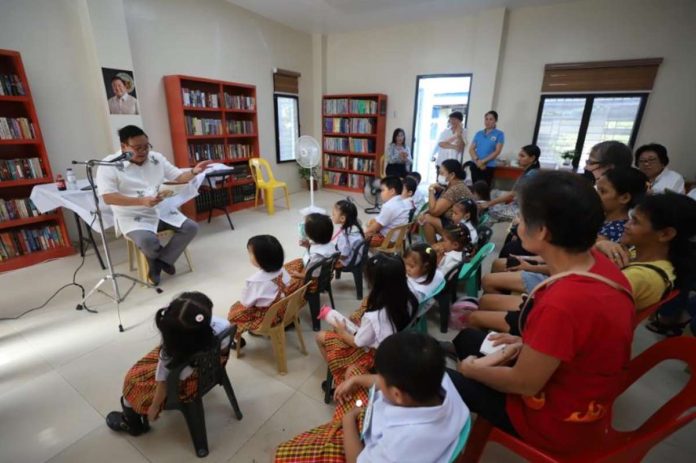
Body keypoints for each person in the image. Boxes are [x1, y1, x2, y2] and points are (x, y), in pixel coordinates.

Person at [448, 170, 635, 455]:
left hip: (555, 419)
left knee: (441, 377)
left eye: (521, 217)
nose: (517, 223)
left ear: (543, 231)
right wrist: (528, 343)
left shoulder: (564, 302)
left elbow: (524, 383)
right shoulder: (598, 263)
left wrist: (470, 370)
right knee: (468, 340)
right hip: (575, 384)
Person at [275, 332, 470, 463]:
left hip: (362, 444)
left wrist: (349, 419)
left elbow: (357, 459)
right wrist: (357, 379)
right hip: (377, 421)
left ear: (396, 394)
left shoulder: (401, 444)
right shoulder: (435, 377)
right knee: (353, 373)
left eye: (382, 377)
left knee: (283, 453)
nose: (378, 379)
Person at [96, 125, 211, 285]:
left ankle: (160, 262)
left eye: (146, 146)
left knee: (191, 227)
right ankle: (162, 260)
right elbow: (108, 197)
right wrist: (141, 201)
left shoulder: (156, 158)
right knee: (147, 241)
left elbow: (178, 177)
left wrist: (193, 172)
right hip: (133, 215)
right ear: (123, 146)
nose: (143, 151)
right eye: (138, 148)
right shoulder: (109, 165)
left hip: (160, 209)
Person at [106, 292, 230, 435]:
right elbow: (224, 350)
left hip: (185, 385)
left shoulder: (169, 357)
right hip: (209, 370)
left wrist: (154, 408)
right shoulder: (223, 325)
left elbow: (163, 385)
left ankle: (133, 424)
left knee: (131, 380)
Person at [316, 254, 417, 389]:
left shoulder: (375, 316)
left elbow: (356, 342)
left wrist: (341, 330)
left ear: (376, 283)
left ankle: (338, 378)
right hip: (392, 345)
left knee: (320, 337)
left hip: (372, 355)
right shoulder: (410, 298)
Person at [228, 235, 292, 348]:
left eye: (251, 253)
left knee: (233, 312)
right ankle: (289, 323)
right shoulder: (283, 269)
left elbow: (246, 303)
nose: (249, 256)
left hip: (267, 318)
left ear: (262, 259)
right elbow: (289, 282)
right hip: (285, 310)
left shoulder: (255, 281)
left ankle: (236, 340)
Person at [418, 159, 474, 244]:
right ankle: (435, 250)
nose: (439, 176)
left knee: (427, 218)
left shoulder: (455, 189)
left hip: (460, 228)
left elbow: (434, 211)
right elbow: (436, 207)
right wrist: (425, 211)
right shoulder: (452, 186)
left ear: (452, 175)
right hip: (454, 222)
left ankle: (434, 250)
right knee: (427, 219)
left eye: (441, 173)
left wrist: (431, 190)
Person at [481, 144, 541, 222]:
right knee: (494, 194)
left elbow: (512, 195)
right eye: (519, 155)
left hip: (524, 211)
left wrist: (489, 203)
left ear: (532, 158)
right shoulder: (531, 171)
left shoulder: (531, 175)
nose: (519, 158)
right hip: (518, 203)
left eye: (522, 156)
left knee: (490, 211)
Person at [285, 213, 336, 283]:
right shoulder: (330, 243)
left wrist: (298, 275)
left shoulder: (317, 256)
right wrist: (308, 246)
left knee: (286, 275)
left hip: (313, 281)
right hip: (320, 271)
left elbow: (313, 276)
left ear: (311, 235)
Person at [364, 176, 411, 247]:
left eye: (382, 190)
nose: (380, 193)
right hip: (399, 238)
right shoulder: (402, 202)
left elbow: (376, 227)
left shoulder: (388, 206)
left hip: (388, 240)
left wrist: (364, 233)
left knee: (359, 238)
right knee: (371, 222)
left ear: (392, 191)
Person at [468, 111, 504, 185]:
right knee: (475, 188)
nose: (488, 121)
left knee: (484, 190)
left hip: (488, 166)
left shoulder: (499, 134)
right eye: (486, 119)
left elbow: (497, 151)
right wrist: (478, 161)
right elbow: (471, 149)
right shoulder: (479, 133)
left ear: (495, 121)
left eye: (491, 119)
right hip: (475, 164)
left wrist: (483, 162)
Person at [332, 199, 365, 268]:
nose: (332, 216)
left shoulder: (345, 236)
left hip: (348, 261)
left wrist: (334, 259)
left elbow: (344, 255)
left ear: (342, 218)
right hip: (357, 256)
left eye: (334, 214)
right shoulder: (355, 225)